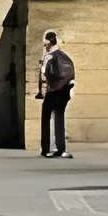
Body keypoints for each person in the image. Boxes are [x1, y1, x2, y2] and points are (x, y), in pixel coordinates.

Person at [38, 29, 75, 159]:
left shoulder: (49, 57)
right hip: (63, 91)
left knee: (46, 118)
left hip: (53, 91)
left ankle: (46, 148)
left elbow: (43, 75)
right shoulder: (64, 56)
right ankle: (61, 148)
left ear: (49, 43)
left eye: (45, 43)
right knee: (59, 118)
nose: (44, 46)